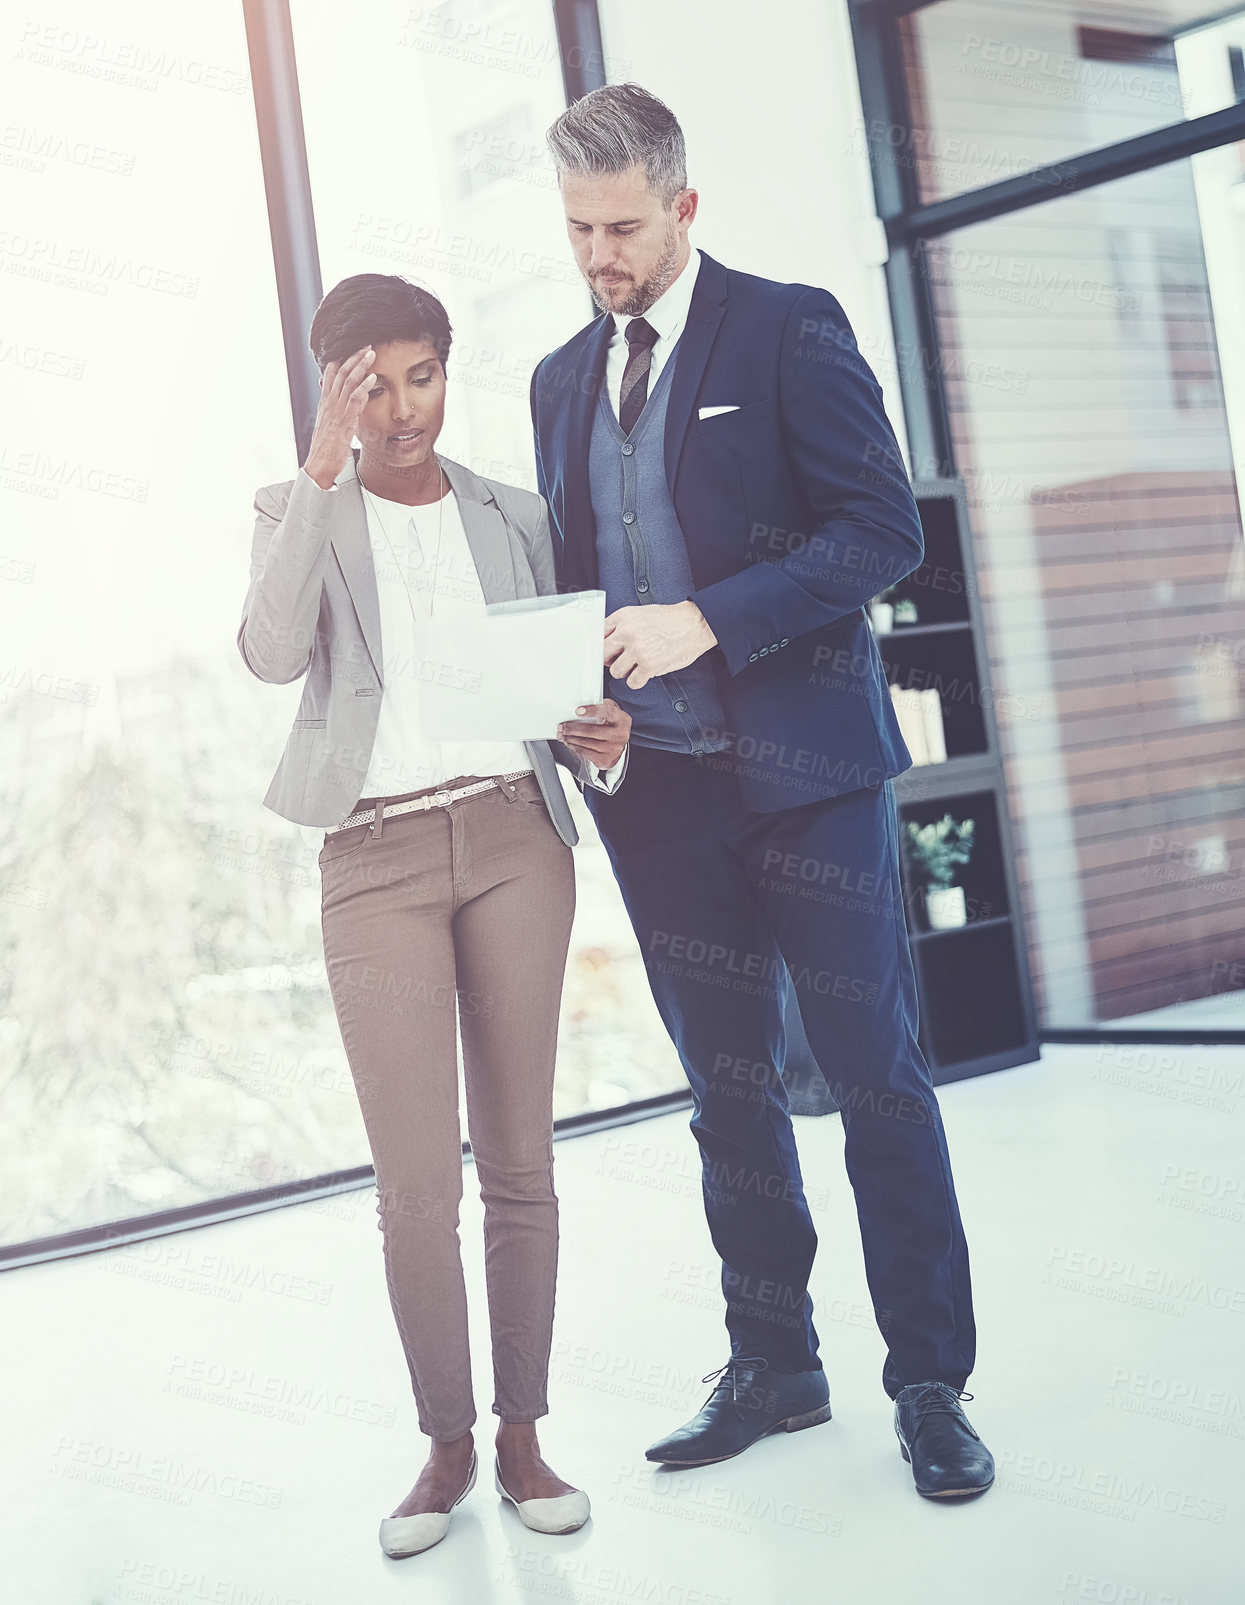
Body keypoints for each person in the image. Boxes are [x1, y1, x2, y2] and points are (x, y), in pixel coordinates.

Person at [530, 83, 995, 1499]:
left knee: (875, 1083)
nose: (599, 254)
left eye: (620, 225)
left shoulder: (786, 326)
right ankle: (775, 1362)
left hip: (809, 781)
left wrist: (711, 618)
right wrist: (585, 698)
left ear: (682, 206)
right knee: (724, 1092)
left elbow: (882, 532)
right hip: (655, 796)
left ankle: (927, 1382)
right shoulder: (559, 379)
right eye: (576, 230)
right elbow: (573, 579)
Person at [237, 273, 631, 1556]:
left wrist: (602, 735)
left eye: (422, 376)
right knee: (417, 1188)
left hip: (516, 833)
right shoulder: (300, 512)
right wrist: (319, 463)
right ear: (338, 390)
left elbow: (558, 689)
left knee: (521, 1165)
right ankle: (446, 1443)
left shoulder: (514, 517)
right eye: (372, 385)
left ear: (447, 374)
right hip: (374, 861)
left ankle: (523, 1436)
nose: (404, 409)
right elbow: (270, 649)